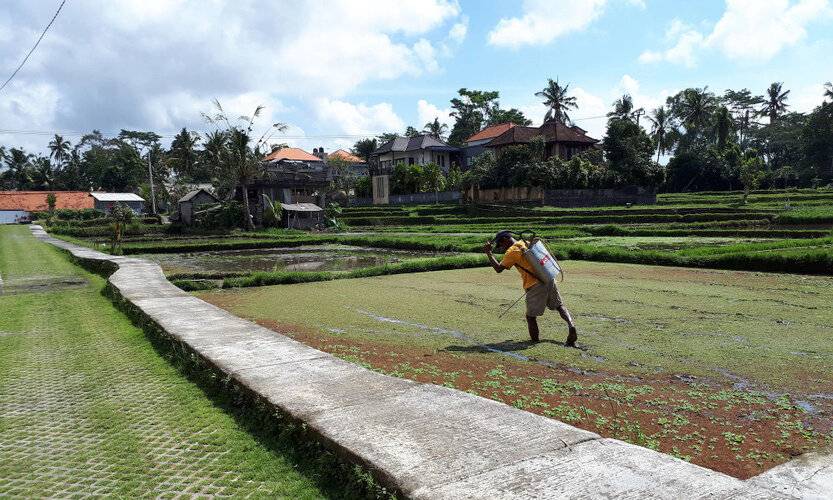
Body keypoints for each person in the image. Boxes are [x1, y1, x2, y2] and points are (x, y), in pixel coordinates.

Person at [483, 230, 578, 347]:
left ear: (505, 239)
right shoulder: (525, 242)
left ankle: (534, 341)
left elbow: (498, 268)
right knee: (559, 306)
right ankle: (571, 325)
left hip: (534, 285)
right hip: (548, 278)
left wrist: (488, 253)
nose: (501, 247)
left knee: (530, 317)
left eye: (501, 244)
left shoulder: (512, 251)